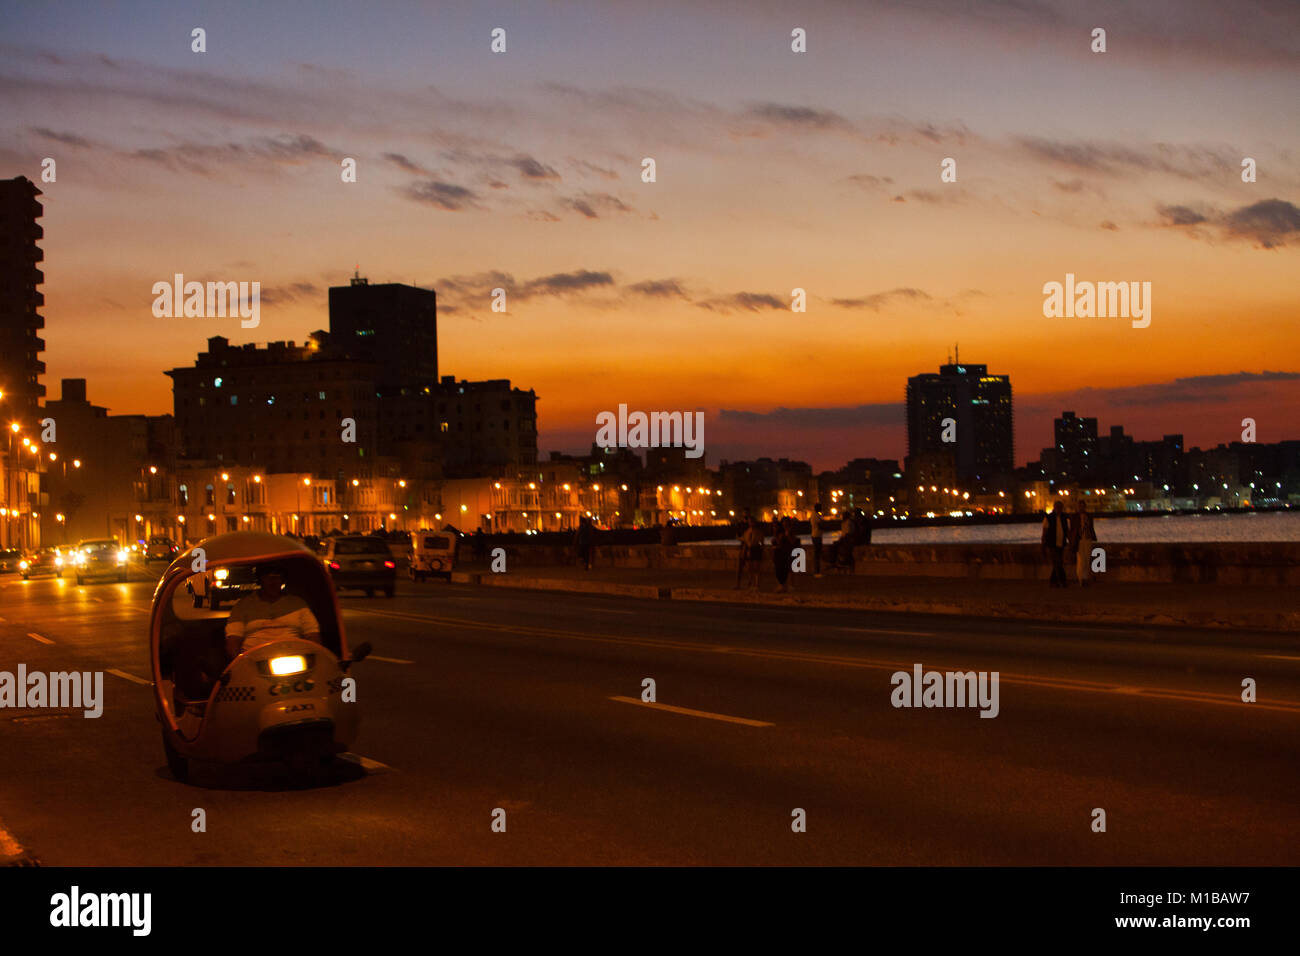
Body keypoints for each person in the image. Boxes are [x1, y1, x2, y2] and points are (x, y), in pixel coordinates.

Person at [224, 563, 321, 660]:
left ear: (282, 580)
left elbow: (312, 634)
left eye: (277, 577)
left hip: (294, 658)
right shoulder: (243, 606)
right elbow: (233, 639)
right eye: (268, 577)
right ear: (260, 580)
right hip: (254, 660)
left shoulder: (298, 604)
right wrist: (238, 662)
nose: (273, 582)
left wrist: (312, 656)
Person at [1041, 500, 1070, 588]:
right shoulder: (1048, 517)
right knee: (1058, 562)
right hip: (1052, 543)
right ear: (1054, 508)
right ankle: (1062, 580)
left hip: (1061, 543)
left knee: (1057, 563)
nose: (1059, 509)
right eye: (1057, 507)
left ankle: (1053, 581)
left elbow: (1067, 531)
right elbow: (1044, 531)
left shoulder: (1064, 518)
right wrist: (1043, 543)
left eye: (1060, 507)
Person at [1073, 500, 1098, 586]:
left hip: (1087, 538)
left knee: (1087, 559)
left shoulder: (1088, 516)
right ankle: (1081, 578)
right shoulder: (1074, 517)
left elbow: (1091, 527)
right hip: (1079, 540)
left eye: (1082, 506)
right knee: (1081, 559)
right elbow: (1072, 529)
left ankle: (1085, 577)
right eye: (1079, 506)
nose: (1081, 508)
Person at [772, 517, 797, 593]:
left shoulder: (791, 531)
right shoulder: (780, 532)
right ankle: (783, 585)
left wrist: (788, 535)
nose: (785, 524)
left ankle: (790, 586)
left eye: (786, 522)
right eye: (783, 522)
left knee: (790, 569)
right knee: (782, 570)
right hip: (781, 553)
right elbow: (778, 542)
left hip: (789, 552)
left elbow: (792, 542)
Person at [809, 508, 823, 577]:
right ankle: (817, 571)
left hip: (814, 535)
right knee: (817, 554)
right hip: (817, 535)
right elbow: (820, 524)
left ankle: (816, 570)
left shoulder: (812, 515)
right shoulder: (816, 515)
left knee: (817, 554)